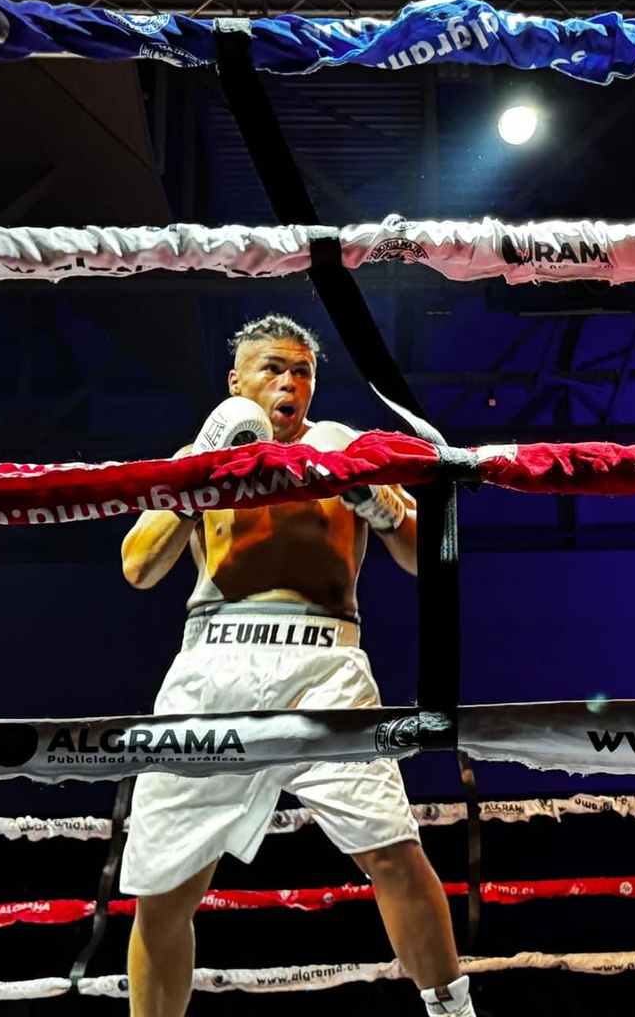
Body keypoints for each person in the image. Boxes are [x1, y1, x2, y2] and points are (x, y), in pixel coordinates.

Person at [117, 313, 475, 1017]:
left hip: (326, 667)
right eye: (273, 369)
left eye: (303, 371)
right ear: (236, 382)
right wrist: (202, 471)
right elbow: (138, 566)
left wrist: (372, 499)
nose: (290, 383)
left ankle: (452, 1012)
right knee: (164, 887)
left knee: (393, 851)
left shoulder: (343, 449)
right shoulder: (202, 450)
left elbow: (419, 558)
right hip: (213, 664)